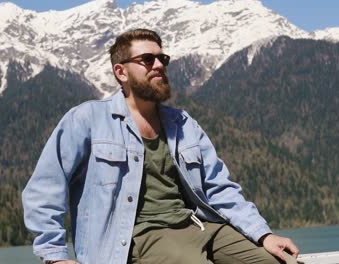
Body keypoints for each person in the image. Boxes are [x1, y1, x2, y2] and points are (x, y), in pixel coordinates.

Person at [22, 28, 299, 264]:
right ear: (121, 72)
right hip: (142, 237)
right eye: (147, 59)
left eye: (162, 58)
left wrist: (264, 235)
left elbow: (220, 188)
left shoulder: (183, 123)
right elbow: (45, 188)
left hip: (201, 226)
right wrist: (55, 255)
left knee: (281, 261)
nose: (159, 65)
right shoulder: (87, 119)